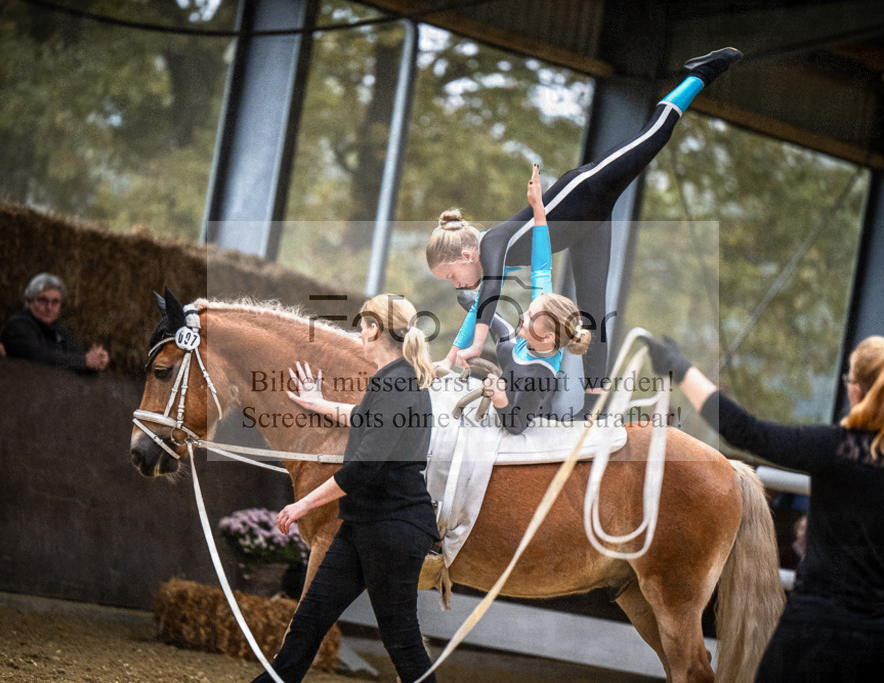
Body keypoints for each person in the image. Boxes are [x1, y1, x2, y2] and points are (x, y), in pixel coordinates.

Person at [427, 47, 743, 417]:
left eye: (452, 276)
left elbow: (491, 291)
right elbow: (477, 310)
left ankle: (699, 75)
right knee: (594, 307)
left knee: (652, 139)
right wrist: (448, 362)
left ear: (466, 255)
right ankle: (595, 405)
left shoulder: (493, 243)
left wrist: (476, 346)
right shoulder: (490, 260)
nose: (456, 284)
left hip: (586, 191)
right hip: (588, 227)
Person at [641, 334, 884, 682]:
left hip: (817, 633)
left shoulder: (835, 448)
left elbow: (744, 431)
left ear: (857, 391)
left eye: (849, 379)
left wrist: (681, 369)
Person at [252, 293, 438, 683]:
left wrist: (302, 504)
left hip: (394, 529)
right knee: (308, 624)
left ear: (373, 330)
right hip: (361, 525)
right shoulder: (391, 380)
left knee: (402, 643)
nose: (360, 335)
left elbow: (363, 468)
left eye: (362, 327)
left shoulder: (400, 382)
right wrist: (319, 403)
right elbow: (365, 417)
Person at [479, 164, 592, 433]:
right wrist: (538, 207)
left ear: (546, 337)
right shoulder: (543, 310)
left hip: (521, 429)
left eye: (529, 317)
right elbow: (542, 262)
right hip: (509, 372)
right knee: (478, 308)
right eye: (529, 311)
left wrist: (498, 396)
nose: (523, 314)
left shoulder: (540, 377)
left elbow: (516, 426)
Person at [0, 273, 109, 372]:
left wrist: (98, 360)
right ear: (29, 301)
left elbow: (78, 356)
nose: (49, 307)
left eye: (55, 302)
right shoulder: (18, 326)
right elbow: (38, 357)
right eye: (43, 300)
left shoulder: (59, 330)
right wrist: (84, 361)